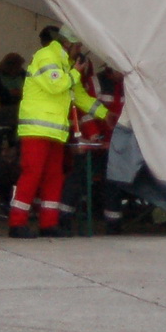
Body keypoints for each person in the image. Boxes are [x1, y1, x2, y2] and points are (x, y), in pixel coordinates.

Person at [10, 24, 109, 239]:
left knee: (54, 177)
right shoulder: (47, 56)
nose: (80, 50)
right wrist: (75, 73)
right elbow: (56, 85)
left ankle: (49, 223)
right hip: (36, 129)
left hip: (55, 131)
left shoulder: (66, 64)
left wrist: (105, 114)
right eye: (78, 45)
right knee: (32, 174)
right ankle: (17, 223)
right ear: (68, 43)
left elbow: (79, 96)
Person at [60, 59, 126, 234]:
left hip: (114, 144)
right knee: (79, 176)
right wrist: (93, 136)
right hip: (92, 141)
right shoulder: (95, 82)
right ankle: (63, 218)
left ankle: (113, 223)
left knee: (114, 180)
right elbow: (85, 111)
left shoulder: (129, 84)